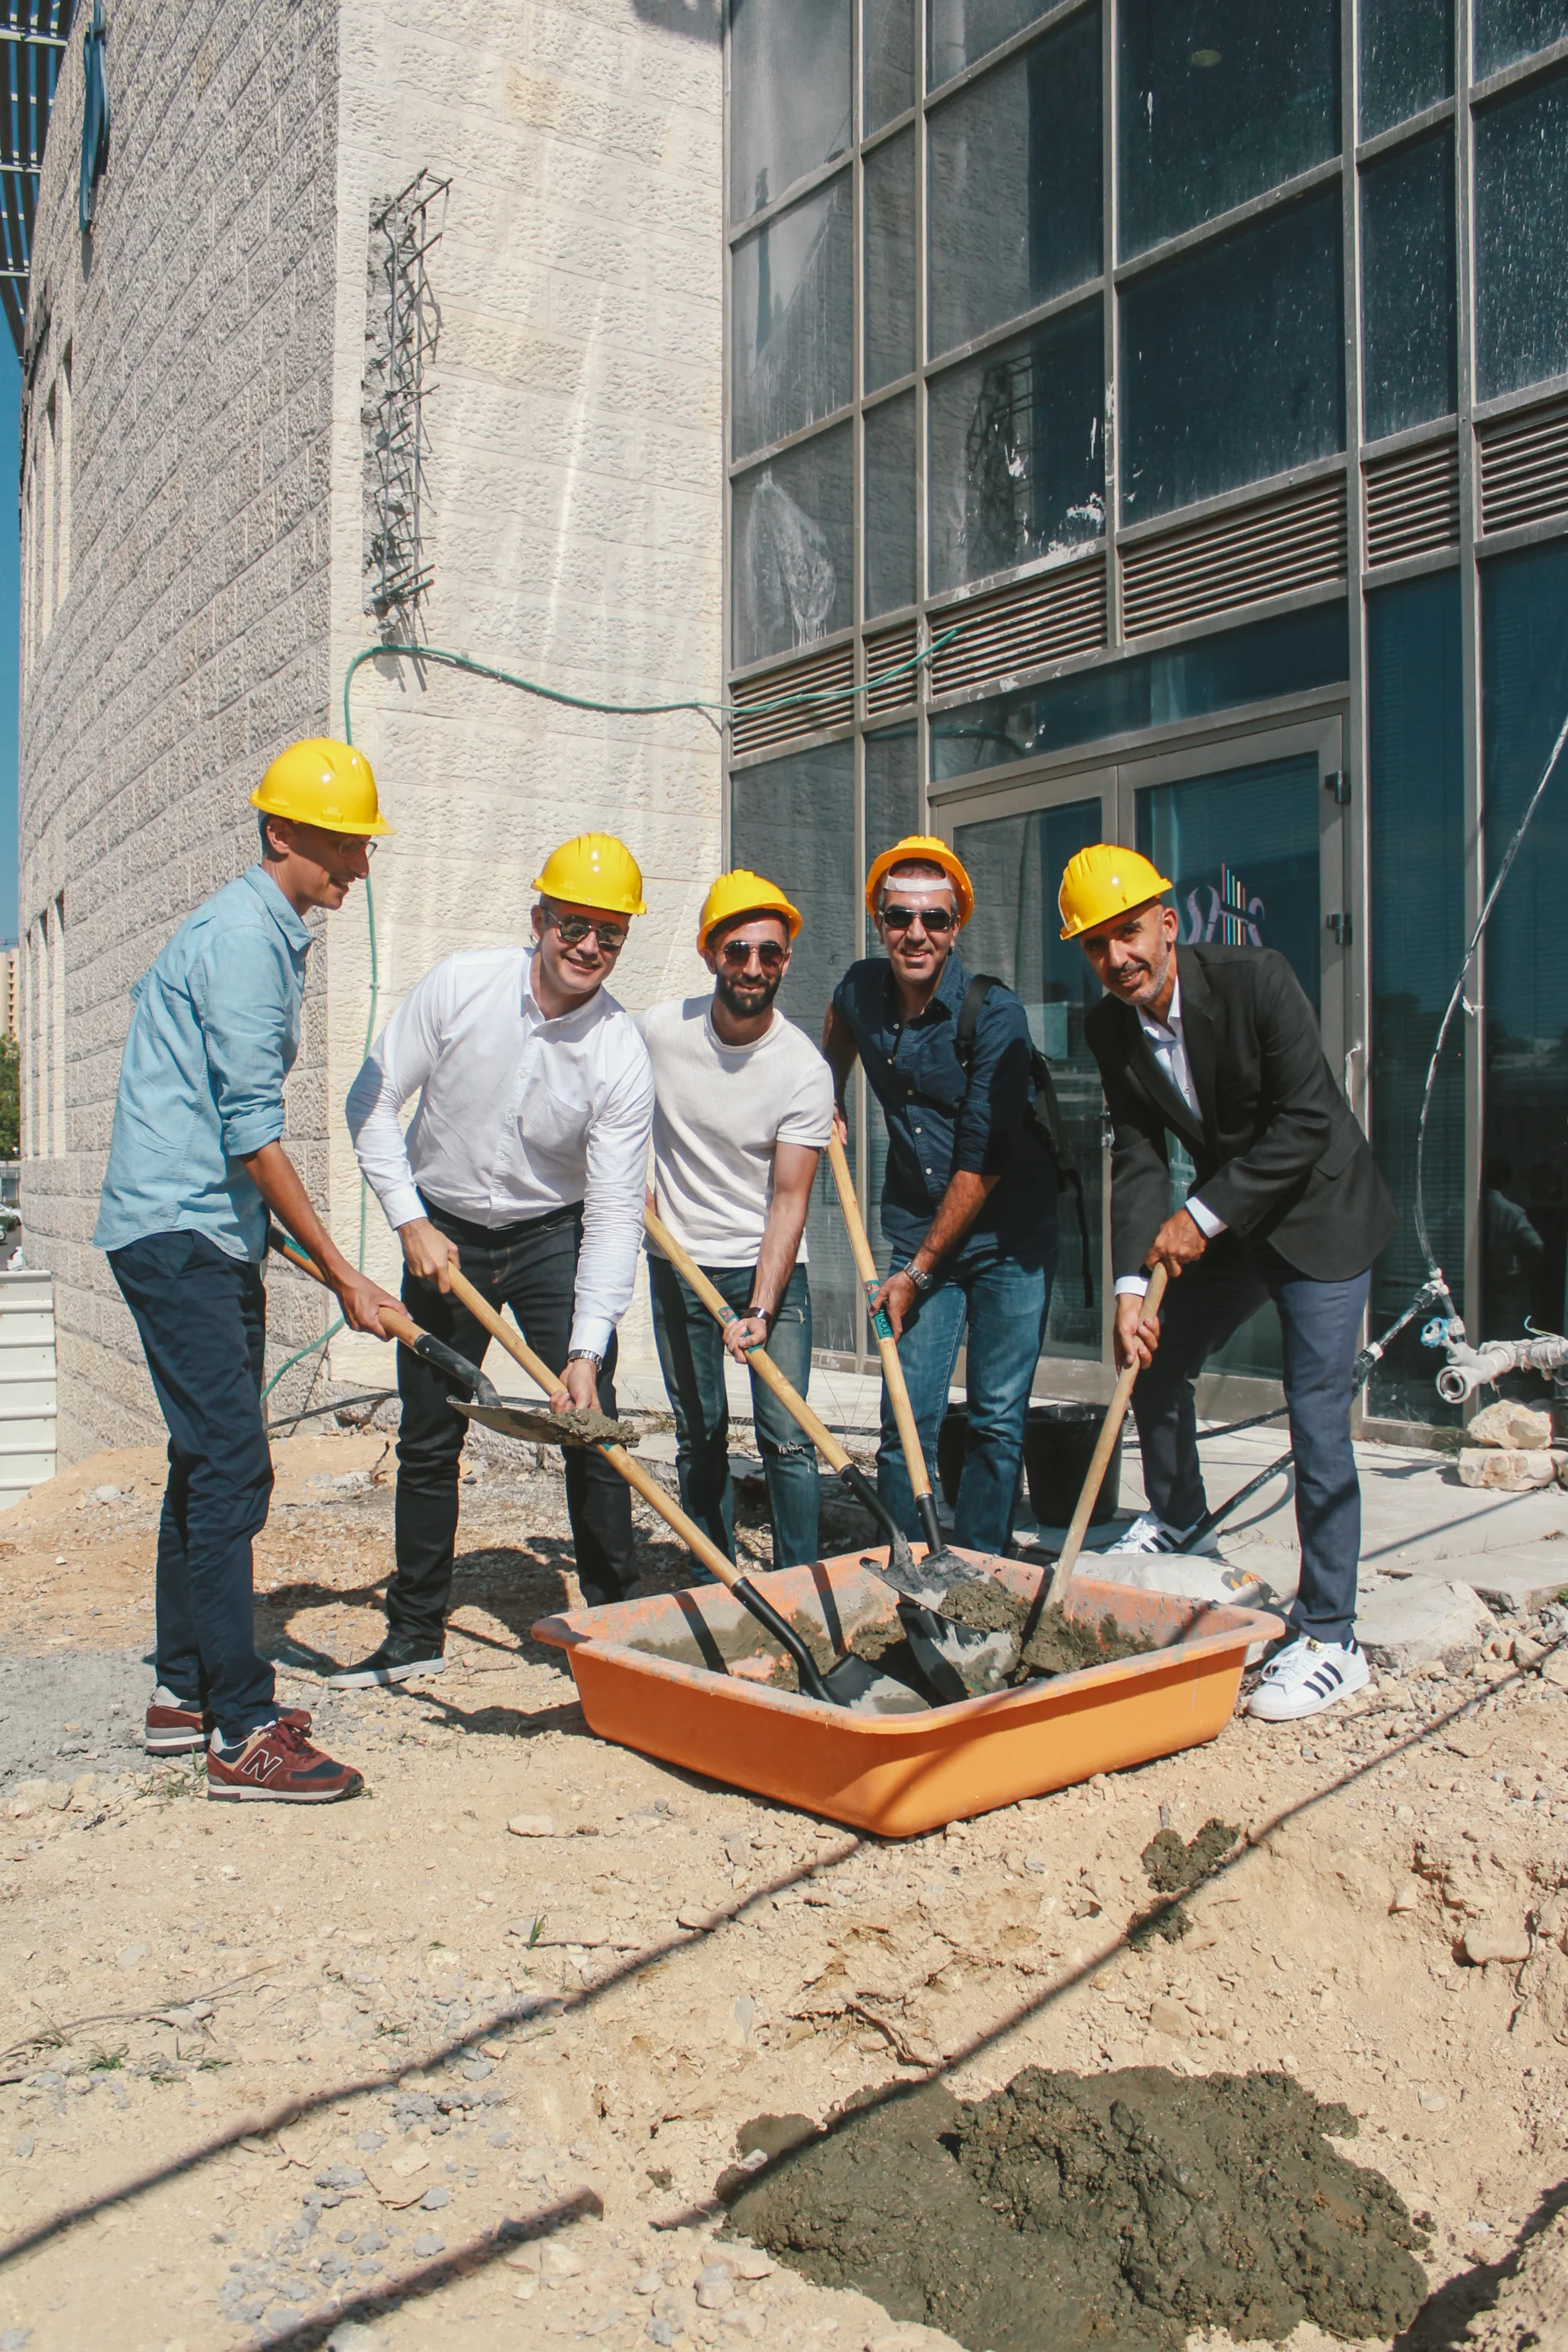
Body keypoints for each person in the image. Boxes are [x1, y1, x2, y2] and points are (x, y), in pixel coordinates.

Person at [96, 739, 402, 1801]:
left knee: (204, 1463)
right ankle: (241, 1728)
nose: (356, 868)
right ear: (283, 834)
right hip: (180, 1235)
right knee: (234, 1468)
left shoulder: (259, 931)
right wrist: (346, 1274)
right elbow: (249, 1131)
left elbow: (206, 1123)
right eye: (342, 845)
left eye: (361, 845)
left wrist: (294, 1252)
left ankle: (182, 1693)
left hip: (197, 1227)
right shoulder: (243, 940)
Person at [1062, 843, 1396, 1724]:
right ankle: (1179, 1519)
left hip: (1321, 1213)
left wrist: (1201, 1216)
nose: (1117, 958)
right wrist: (1133, 1283)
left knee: (1316, 1419)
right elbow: (1135, 1155)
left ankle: (1331, 1636)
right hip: (1235, 1220)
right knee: (1156, 1364)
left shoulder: (1257, 980)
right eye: (1095, 947)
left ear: (1166, 923)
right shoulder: (1109, 1027)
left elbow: (1307, 1121)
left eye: (1128, 933)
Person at [337, 833, 655, 1684]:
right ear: (539, 917)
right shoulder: (459, 987)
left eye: (610, 933)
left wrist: (586, 1347)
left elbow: (619, 1208)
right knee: (431, 1436)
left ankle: (621, 1629)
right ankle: (414, 1635)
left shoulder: (620, 1053)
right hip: (442, 1234)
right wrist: (408, 1222)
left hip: (553, 1236)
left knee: (590, 1430)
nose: (589, 946)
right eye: (574, 923)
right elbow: (370, 1102)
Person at [822, 836, 1059, 1555]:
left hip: (1007, 1241)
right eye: (899, 917)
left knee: (994, 1418)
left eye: (934, 919)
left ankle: (982, 1572)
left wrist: (918, 1271)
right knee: (906, 1415)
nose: (915, 934)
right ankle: (905, 1561)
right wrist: (826, 1092)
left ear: (956, 927)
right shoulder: (861, 989)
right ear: (879, 921)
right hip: (915, 1228)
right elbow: (835, 1031)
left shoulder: (995, 1016)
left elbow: (981, 1163)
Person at [643, 871, 835, 1573]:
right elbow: (606, 1101)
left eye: (770, 953)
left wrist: (762, 1304)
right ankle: (713, 1577)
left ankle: (802, 1585)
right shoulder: (660, 1032)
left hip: (767, 1269)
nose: (754, 966)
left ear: (785, 960)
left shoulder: (803, 1071)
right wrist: (627, 1183)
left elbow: (789, 1200)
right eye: (738, 950)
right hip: (677, 1265)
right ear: (710, 954)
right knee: (700, 1434)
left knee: (788, 1435)